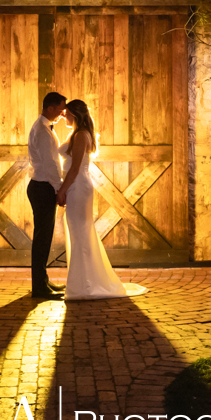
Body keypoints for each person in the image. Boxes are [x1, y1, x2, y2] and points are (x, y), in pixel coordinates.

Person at [56, 99, 148, 299]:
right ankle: (82, 281)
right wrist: (62, 118)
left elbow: (74, 168)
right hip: (77, 186)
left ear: (76, 115)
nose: (64, 116)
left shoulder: (81, 136)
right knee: (79, 234)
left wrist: (62, 190)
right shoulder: (77, 133)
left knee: (80, 234)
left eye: (67, 113)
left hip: (77, 187)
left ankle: (85, 285)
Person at [25, 91, 67, 300]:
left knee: (44, 237)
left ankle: (42, 280)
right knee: (42, 238)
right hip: (43, 187)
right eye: (59, 110)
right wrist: (59, 189)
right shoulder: (42, 131)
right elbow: (50, 164)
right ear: (50, 108)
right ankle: (39, 287)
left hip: (41, 185)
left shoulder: (43, 128)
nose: (61, 114)